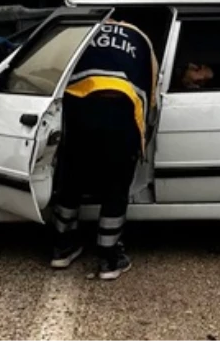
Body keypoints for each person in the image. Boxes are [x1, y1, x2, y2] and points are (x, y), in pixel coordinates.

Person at [49, 17, 157, 280]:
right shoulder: (139, 36)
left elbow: (52, 72)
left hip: (79, 112)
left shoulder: (80, 31)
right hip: (120, 114)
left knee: (71, 179)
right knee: (116, 186)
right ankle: (109, 258)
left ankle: (62, 247)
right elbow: (151, 86)